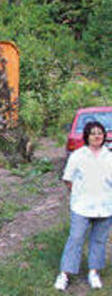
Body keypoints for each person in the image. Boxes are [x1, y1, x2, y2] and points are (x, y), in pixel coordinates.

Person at [54, 121, 112, 291]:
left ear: (104, 136)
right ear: (87, 136)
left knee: (99, 240)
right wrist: (79, 194)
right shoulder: (78, 155)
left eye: (100, 133)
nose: (96, 136)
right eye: (93, 133)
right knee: (76, 238)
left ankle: (93, 273)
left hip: (105, 206)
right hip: (81, 206)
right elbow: (68, 179)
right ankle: (64, 274)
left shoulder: (109, 156)